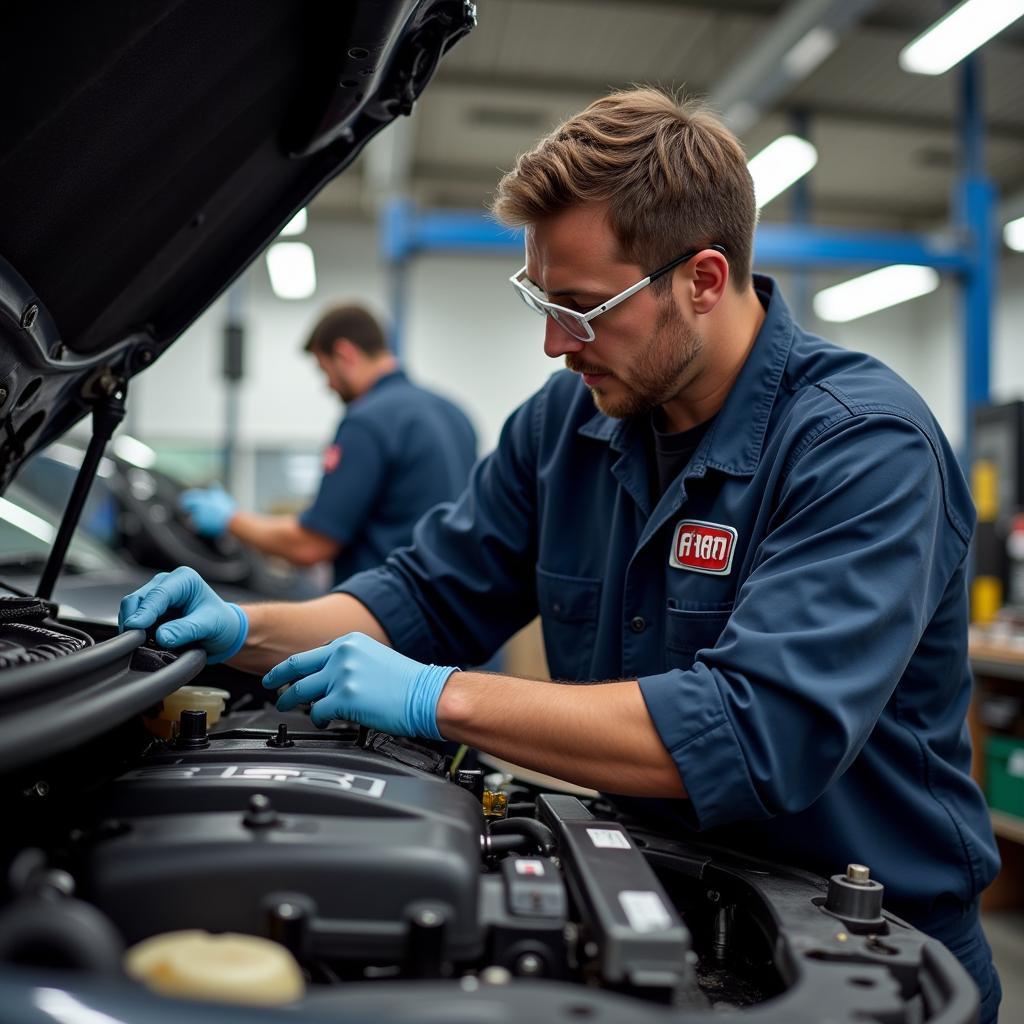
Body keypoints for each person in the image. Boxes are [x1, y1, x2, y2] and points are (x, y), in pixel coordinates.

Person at [121, 89, 1001, 1019]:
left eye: (581, 307)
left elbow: (754, 731)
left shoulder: (861, 447)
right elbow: (419, 598)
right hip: (660, 909)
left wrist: (436, 696)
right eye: (541, 300)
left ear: (703, 278)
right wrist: (234, 630)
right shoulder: (567, 425)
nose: (553, 344)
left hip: (862, 958)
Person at [179, 303, 478, 587]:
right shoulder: (455, 413)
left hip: (390, 619)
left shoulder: (367, 421)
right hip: (454, 610)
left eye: (325, 371)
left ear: (345, 354)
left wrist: (231, 519)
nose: (328, 386)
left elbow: (311, 544)